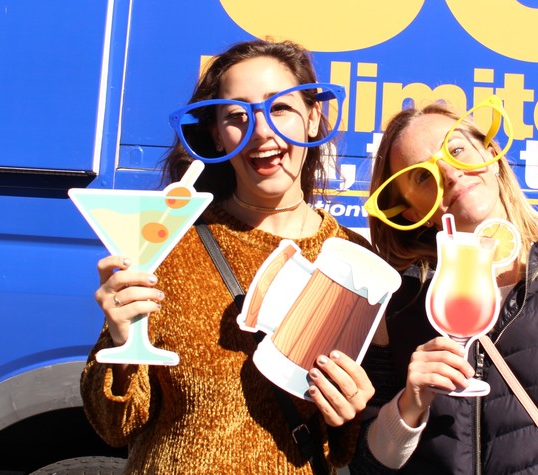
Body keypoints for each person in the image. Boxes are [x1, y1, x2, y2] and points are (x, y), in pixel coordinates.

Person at [81, 39, 375, 474]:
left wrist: (346, 412)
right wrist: (121, 342)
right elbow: (114, 426)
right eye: (237, 116)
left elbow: (343, 450)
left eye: (280, 108)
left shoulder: (352, 258)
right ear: (217, 136)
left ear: (313, 118)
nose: (261, 131)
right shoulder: (171, 243)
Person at [351, 99, 538, 474]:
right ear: (414, 212)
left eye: (457, 150)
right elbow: (367, 464)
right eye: (421, 177)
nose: (450, 173)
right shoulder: (398, 300)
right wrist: (408, 406)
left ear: (491, 155)